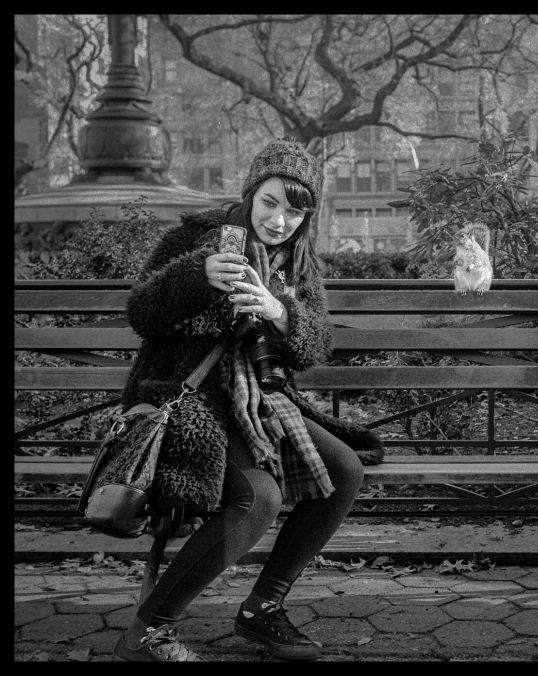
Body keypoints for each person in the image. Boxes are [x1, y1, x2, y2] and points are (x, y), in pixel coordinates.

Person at [113, 138, 383, 662]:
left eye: (296, 211)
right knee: (258, 497)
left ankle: (262, 609)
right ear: (250, 194)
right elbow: (143, 313)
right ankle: (147, 633)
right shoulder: (195, 240)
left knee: (345, 471)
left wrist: (280, 313)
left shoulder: (298, 261)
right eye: (271, 203)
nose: (281, 221)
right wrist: (198, 276)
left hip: (260, 400)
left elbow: (314, 343)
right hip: (190, 403)